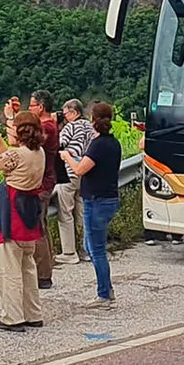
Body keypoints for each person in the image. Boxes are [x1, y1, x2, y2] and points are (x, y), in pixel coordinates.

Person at [0, 108, 47, 330]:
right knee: (28, 267)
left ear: (20, 131)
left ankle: (12, 316)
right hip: (29, 214)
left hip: (11, 215)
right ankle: (33, 313)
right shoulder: (38, 153)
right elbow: (8, 156)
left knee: (9, 269)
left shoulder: (17, 156)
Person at [64, 100, 122, 303]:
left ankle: (104, 294)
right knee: (92, 246)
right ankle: (106, 289)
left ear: (93, 120)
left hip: (96, 201)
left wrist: (67, 157)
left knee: (96, 249)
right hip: (108, 198)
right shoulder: (113, 143)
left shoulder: (98, 145)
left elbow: (80, 170)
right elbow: (90, 165)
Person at [56, 99, 98, 264]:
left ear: (73, 112)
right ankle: (85, 250)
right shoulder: (89, 126)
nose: (63, 116)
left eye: (65, 113)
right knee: (81, 212)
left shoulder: (71, 127)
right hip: (85, 172)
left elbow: (60, 144)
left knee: (65, 212)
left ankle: (69, 252)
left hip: (70, 172)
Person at [27, 91, 61, 289]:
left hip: (41, 183)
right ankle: (46, 268)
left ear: (40, 107)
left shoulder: (47, 127)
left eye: (31, 106)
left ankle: (43, 275)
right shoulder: (50, 125)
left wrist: (13, 119)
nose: (29, 109)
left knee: (37, 229)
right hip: (47, 181)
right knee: (43, 227)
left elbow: (23, 141)